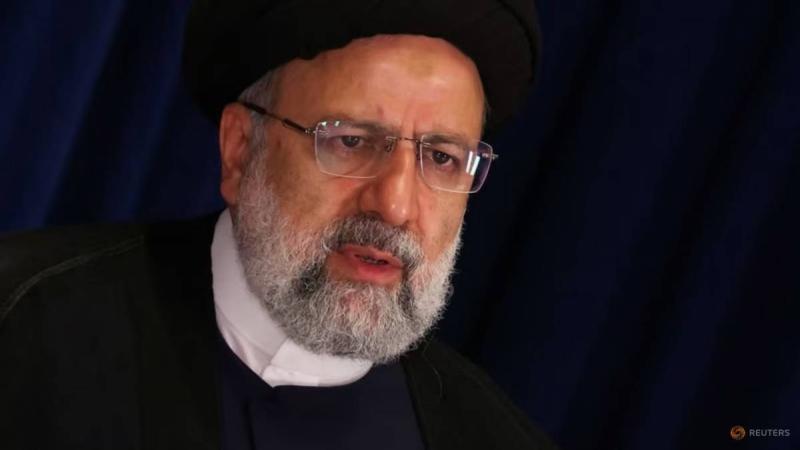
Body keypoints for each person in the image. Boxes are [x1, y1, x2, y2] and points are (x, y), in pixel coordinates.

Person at [0, 0, 558, 449]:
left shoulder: (490, 436)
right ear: (241, 150)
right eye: (351, 141)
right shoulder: (23, 323)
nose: (395, 206)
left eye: (441, 158)